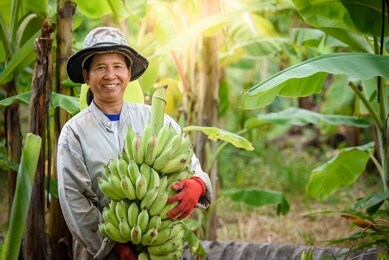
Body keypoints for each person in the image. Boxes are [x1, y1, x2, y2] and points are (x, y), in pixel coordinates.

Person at [57, 27, 212, 260]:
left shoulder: (157, 120)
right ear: (87, 76)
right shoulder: (74, 133)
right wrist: (113, 245)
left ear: (129, 73)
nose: (110, 75)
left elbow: (190, 164)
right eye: (100, 67)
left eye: (117, 66)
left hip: (160, 244)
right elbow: (75, 202)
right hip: (101, 251)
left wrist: (198, 184)